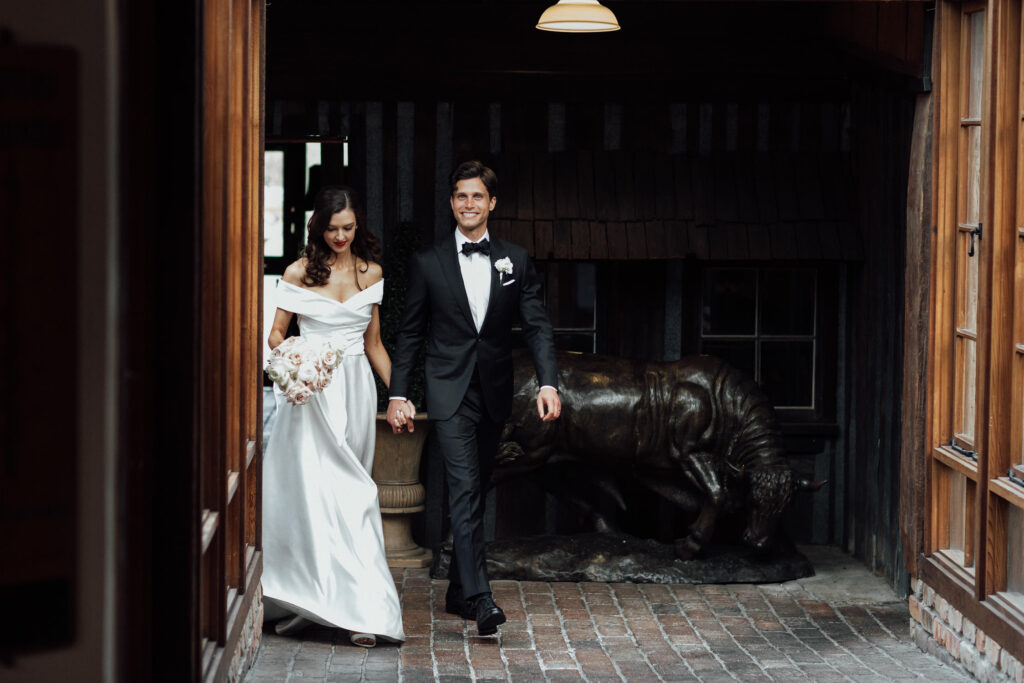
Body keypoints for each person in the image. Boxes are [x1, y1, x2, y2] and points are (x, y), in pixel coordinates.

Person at [387, 160, 561, 636]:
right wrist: (398, 393)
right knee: (464, 489)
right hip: (448, 392)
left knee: (475, 490)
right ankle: (482, 600)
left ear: (492, 203)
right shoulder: (428, 262)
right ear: (451, 203)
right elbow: (409, 334)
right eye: (461, 196)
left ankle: (457, 590)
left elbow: (538, 326)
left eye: (477, 196)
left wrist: (548, 382)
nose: (468, 204)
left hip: (494, 392)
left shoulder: (515, 260)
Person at [262, 186, 406, 648]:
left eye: (348, 228)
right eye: (331, 228)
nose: (340, 236)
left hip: (356, 391)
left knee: (352, 494)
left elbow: (374, 345)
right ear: (318, 227)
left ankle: (356, 602)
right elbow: (276, 337)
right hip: (311, 397)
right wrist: (304, 362)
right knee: (315, 496)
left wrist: (400, 395)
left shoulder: (372, 273)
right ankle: (338, 601)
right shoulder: (299, 272)